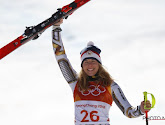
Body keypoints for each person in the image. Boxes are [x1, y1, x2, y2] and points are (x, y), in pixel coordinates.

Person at [52, 19, 151, 125]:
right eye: (86, 62)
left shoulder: (111, 85)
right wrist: (56, 28)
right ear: (82, 66)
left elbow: (128, 112)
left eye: (93, 61)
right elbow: (61, 58)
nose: (90, 65)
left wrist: (141, 109)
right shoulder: (75, 82)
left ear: (99, 64)